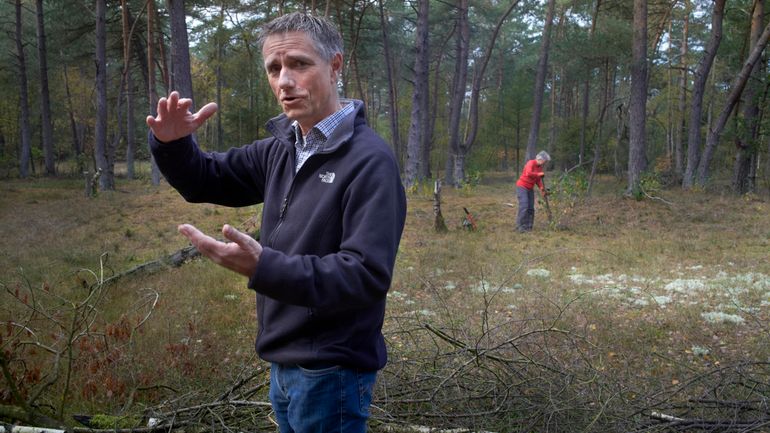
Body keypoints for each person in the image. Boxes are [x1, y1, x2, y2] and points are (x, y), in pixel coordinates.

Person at [145, 12, 406, 433]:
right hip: (283, 363)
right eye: (274, 68)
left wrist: (263, 266)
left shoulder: (369, 161)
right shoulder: (283, 147)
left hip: (332, 371)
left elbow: (365, 275)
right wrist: (172, 145)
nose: (285, 80)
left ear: (335, 66)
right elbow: (206, 179)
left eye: (299, 64)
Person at [515, 150, 550, 232]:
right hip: (522, 187)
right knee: (524, 206)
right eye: (545, 161)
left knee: (531, 208)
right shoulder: (531, 163)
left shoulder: (539, 168)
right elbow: (528, 173)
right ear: (541, 159)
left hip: (530, 188)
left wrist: (542, 188)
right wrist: (538, 174)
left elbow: (538, 180)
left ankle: (528, 226)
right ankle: (520, 227)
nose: (545, 162)